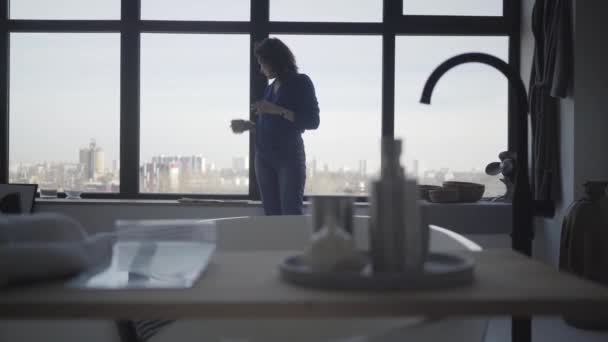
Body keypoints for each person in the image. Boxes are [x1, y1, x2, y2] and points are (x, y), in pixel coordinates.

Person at [231, 38, 320, 215]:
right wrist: (249, 126)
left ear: (274, 61)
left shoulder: (301, 82)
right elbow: (275, 126)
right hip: (263, 159)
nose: (261, 69)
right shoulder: (270, 89)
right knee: (272, 216)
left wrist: (277, 110)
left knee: (290, 213)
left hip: (289, 158)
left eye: (262, 63)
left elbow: (312, 121)